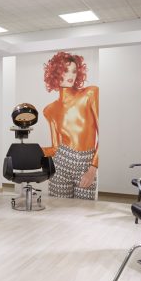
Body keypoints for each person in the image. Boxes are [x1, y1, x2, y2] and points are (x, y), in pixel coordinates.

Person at [42, 52, 99, 200]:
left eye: (74, 71)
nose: (71, 75)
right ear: (55, 74)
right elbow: (55, 148)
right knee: (59, 209)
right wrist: (34, 151)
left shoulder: (91, 93)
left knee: (84, 210)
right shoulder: (49, 110)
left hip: (85, 163)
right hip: (61, 163)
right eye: (65, 70)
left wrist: (93, 168)